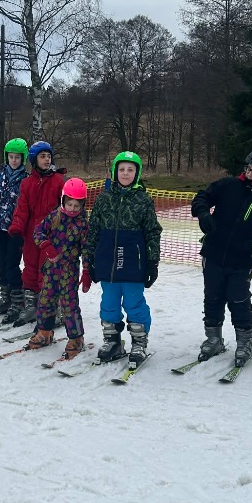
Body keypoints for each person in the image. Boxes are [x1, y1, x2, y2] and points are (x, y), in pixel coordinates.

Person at [190, 147, 252, 367]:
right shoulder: (228, 185)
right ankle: (213, 339)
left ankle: (245, 342)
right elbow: (201, 197)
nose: (250, 173)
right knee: (212, 297)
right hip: (213, 253)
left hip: (242, 259)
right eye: (249, 169)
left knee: (238, 299)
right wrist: (203, 214)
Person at [83, 151, 162, 367]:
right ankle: (112, 341)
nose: (125, 173)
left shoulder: (143, 200)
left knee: (133, 303)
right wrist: (89, 259)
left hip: (133, 262)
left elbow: (152, 232)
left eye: (130, 170)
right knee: (109, 303)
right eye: (121, 169)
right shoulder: (104, 199)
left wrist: (152, 261)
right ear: (114, 172)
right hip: (107, 261)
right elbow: (93, 231)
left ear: (137, 173)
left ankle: (139, 341)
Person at [29, 178, 90, 359]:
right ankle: (44, 331)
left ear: (82, 205)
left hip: (69, 271)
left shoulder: (83, 224)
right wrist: (46, 245)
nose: (72, 209)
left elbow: (87, 248)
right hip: (51, 268)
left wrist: (87, 270)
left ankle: (76, 338)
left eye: (76, 206)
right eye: (69, 204)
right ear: (63, 200)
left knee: (69, 305)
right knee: (45, 300)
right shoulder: (54, 216)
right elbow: (38, 232)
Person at [7, 140, 65, 325]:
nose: (47, 160)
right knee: (30, 269)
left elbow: (64, 208)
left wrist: (63, 231)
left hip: (51, 234)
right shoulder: (27, 183)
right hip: (32, 234)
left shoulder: (58, 181)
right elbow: (22, 208)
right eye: (42, 156)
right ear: (34, 159)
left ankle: (53, 308)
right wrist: (17, 227)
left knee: (47, 271)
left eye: (48, 156)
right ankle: (31, 305)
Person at [0, 137, 29, 320]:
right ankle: (5, 297)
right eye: (11, 157)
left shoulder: (26, 180)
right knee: (1, 263)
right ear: (6, 157)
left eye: (17, 157)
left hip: (16, 231)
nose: (14, 160)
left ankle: (17, 300)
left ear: (23, 158)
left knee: (12, 264)